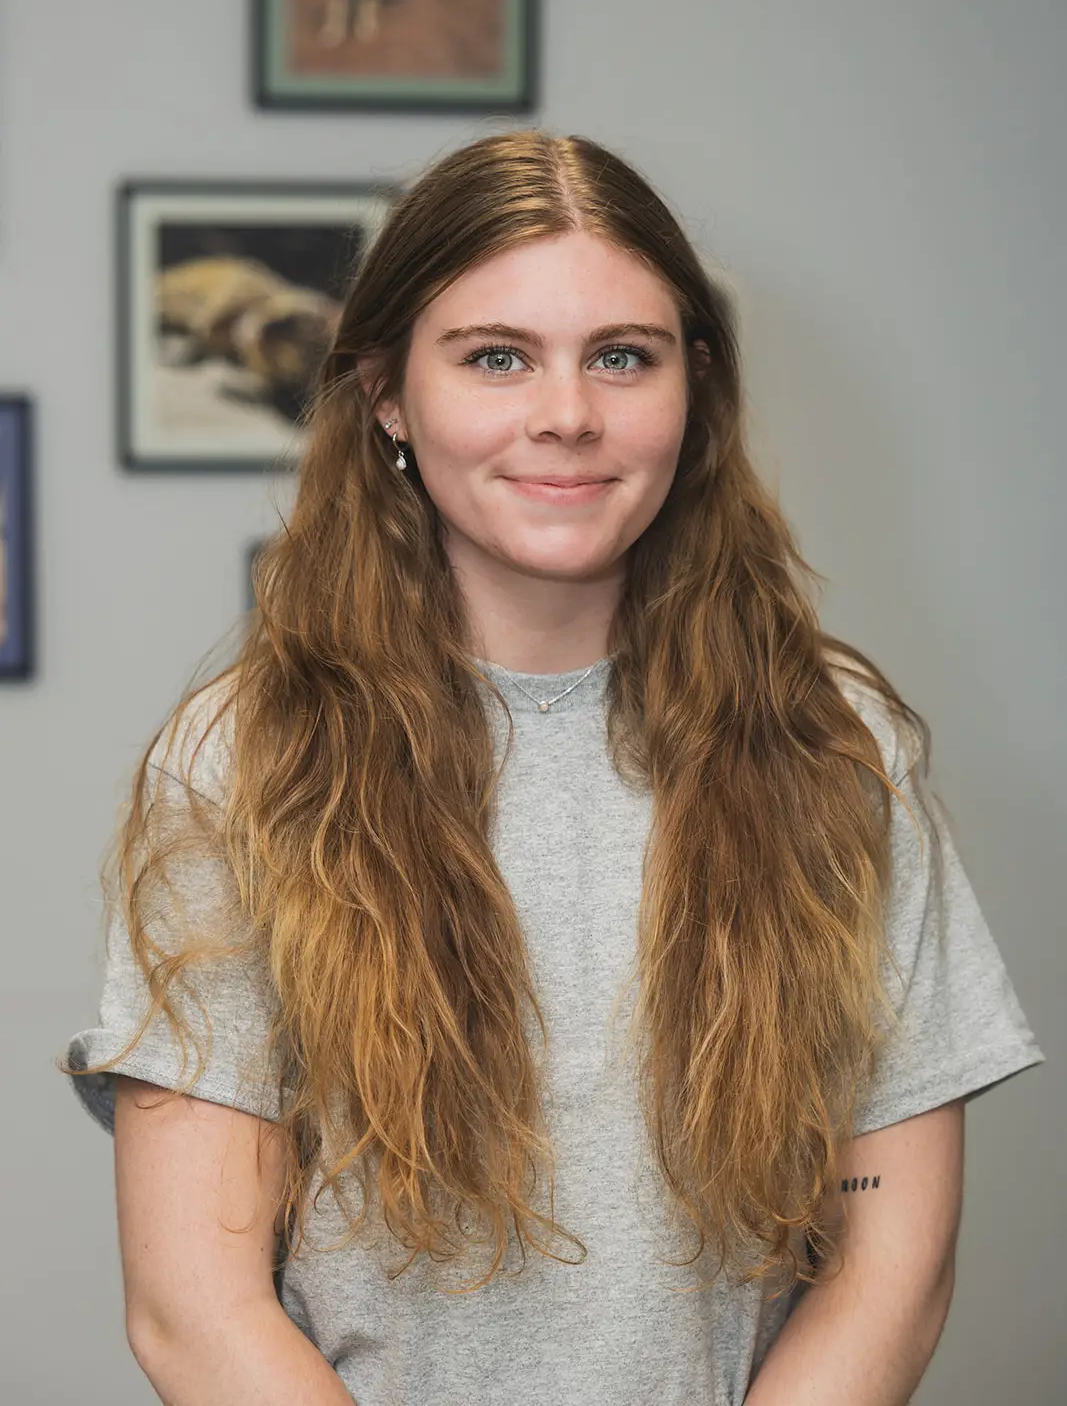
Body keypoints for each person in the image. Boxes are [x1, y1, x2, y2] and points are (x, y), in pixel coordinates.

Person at [59, 129, 1045, 1406]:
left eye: (620, 357)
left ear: (694, 390)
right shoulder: (240, 761)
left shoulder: (833, 746)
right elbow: (195, 1310)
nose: (567, 414)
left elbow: (888, 1274)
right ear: (388, 397)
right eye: (495, 357)